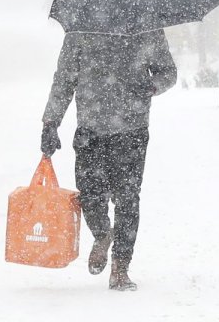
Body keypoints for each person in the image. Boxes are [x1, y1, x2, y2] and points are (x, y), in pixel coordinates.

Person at [39, 29, 177, 291]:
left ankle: (121, 267)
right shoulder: (81, 31)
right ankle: (103, 234)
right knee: (90, 194)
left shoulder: (147, 30)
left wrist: (151, 85)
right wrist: (51, 121)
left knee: (128, 197)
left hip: (132, 129)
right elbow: (65, 78)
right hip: (91, 129)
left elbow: (168, 73)